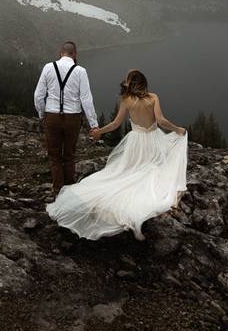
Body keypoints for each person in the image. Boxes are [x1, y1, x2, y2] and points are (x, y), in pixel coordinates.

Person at [46, 69, 188, 241]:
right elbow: (161, 121)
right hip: (153, 139)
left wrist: (99, 131)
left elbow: (115, 123)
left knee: (128, 172)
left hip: (135, 142)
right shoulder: (153, 98)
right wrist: (177, 129)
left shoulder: (127, 100)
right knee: (153, 169)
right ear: (144, 82)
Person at [33, 41, 99, 196]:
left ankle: (57, 191)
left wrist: (42, 114)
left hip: (52, 117)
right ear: (75, 54)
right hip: (72, 118)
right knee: (69, 155)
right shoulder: (80, 71)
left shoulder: (48, 68)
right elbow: (86, 99)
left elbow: (38, 95)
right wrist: (93, 124)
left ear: (59, 53)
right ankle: (69, 193)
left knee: (54, 156)